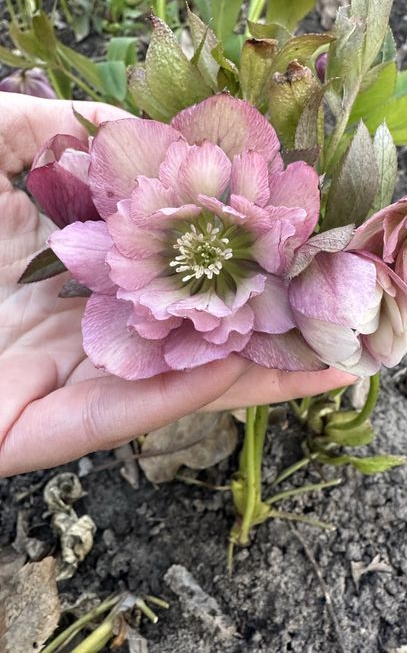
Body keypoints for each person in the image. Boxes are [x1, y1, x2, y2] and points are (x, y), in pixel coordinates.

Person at [0, 94, 355, 477]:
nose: (205, 254)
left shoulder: (273, 265)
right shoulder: (121, 262)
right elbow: (120, 150)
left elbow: (233, 128)